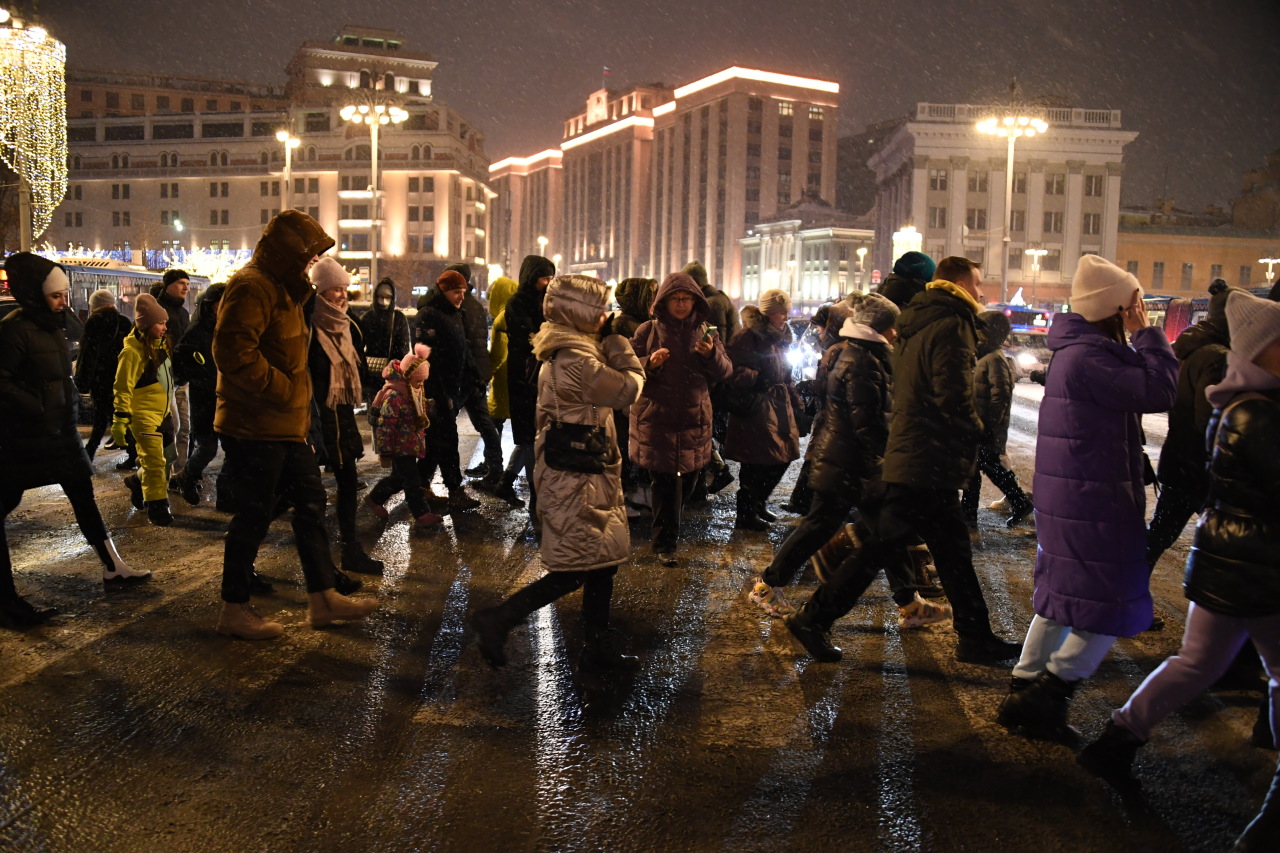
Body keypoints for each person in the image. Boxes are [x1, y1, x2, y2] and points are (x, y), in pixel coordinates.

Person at [1077, 290, 1280, 852]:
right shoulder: (1260, 414)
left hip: (1228, 559)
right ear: (1263, 351)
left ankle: (1117, 740)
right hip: (1259, 565)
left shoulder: (1242, 403)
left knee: (1195, 663)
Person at [995, 255, 1177, 741]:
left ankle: (1024, 690)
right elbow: (1161, 388)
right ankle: (1049, 696)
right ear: (1117, 308)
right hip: (1093, 499)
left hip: (1075, 494)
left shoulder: (1078, 351)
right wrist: (1149, 335)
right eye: (1133, 303)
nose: (1140, 310)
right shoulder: (1093, 356)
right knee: (1108, 603)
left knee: (1062, 597)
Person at [839, 257, 1023, 664]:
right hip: (928, 455)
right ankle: (815, 616)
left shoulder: (917, 320)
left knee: (946, 549)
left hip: (919, 450)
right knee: (884, 545)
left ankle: (974, 635)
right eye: (977, 283)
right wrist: (976, 430)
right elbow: (952, 394)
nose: (980, 292)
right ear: (958, 283)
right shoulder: (952, 322)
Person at [212, 210, 377, 640]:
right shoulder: (251, 286)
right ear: (285, 254)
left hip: (288, 424)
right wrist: (286, 391)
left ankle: (323, 598)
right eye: (305, 258)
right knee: (254, 514)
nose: (309, 265)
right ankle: (233, 608)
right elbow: (233, 353)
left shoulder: (285, 289)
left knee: (310, 507)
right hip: (255, 425)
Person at [468, 275, 644, 669]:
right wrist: (620, 346)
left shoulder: (570, 351)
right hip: (577, 476)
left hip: (584, 469)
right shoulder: (577, 359)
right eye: (600, 310)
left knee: (600, 562)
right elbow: (627, 390)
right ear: (579, 312)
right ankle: (500, 619)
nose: (605, 317)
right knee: (577, 567)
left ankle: (597, 644)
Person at [750, 293, 944, 630]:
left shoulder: (860, 353)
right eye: (894, 327)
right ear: (884, 327)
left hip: (849, 462)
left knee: (883, 531)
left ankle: (909, 603)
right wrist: (894, 457)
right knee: (824, 527)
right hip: (848, 463)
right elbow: (867, 421)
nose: (897, 333)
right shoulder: (863, 360)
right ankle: (767, 585)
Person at [1, 253, 148, 629]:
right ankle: (6, 601)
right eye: (56, 296)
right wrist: (36, 405)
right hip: (27, 438)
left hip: (61, 433)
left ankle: (114, 566)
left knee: (83, 496)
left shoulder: (53, 324)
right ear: (36, 295)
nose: (64, 302)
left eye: (65, 294)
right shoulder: (15, 328)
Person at [628, 272, 734, 566]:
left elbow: (726, 371)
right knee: (664, 484)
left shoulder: (706, 332)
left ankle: (669, 528)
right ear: (664, 300)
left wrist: (710, 355)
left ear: (695, 301)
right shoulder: (647, 330)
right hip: (657, 419)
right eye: (675, 298)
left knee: (688, 480)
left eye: (686, 298)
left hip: (694, 420)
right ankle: (664, 544)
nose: (681, 303)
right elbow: (625, 366)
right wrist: (649, 362)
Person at [1146, 279, 1236, 569]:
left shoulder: (1193, 349)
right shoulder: (1218, 357)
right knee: (1230, 546)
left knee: (1158, 536)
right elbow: (1209, 420)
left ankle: (1124, 599)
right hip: (1200, 471)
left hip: (1181, 462)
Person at [307, 257, 384, 578]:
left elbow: (361, 367)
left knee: (348, 482)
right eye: (333, 289)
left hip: (340, 416)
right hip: (312, 416)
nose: (340, 295)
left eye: (343, 289)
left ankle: (350, 550)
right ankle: (249, 541)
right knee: (300, 493)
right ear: (319, 291)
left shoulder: (349, 324)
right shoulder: (307, 324)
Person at [724, 289, 802, 531]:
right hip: (756, 406)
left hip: (779, 403)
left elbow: (787, 375)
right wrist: (757, 379)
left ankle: (758, 502)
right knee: (756, 460)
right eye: (782, 312)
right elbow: (731, 369)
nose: (787, 317)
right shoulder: (748, 337)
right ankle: (746, 512)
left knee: (783, 456)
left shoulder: (782, 337)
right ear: (769, 313)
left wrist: (797, 404)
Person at [413, 270, 483, 512]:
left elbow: (462, 349)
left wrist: (475, 374)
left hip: (450, 390)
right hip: (437, 392)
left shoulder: (454, 313)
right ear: (443, 291)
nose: (461, 297)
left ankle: (420, 489)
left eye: (463, 292)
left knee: (435, 443)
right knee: (448, 441)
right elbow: (428, 360)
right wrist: (440, 395)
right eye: (456, 292)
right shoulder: (429, 315)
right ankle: (454, 491)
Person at [961, 310, 1035, 529]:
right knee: (977, 468)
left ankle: (1018, 501)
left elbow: (1000, 395)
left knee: (989, 467)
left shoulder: (995, 359)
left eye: (980, 330)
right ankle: (969, 513)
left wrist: (989, 424)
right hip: (979, 425)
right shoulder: (983, 356)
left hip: (987, 427)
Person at [498, 255, 556, 532]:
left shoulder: (546, 302)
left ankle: (511, 484)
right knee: (529, 437)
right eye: (544, 277)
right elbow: (528, 338)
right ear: (532, 277)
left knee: (538, 437)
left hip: (541, 377)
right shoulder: (517, 303)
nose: (547, 283)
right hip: (524, 376)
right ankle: (535, 500)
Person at [434, 263, 504, 487]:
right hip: (477, 373)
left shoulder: (459, 306)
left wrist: (472, 372)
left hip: (466, 374)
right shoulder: (475, 305)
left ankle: (434, 478)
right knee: (484, 423)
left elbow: (463, 345)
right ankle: (495, 468)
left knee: (443, 427)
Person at [113, 293, 177, 526]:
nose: (165, 326)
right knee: (154, 462)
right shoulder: (132, 352)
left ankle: (137, 482)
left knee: (169, 458)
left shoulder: (161, 345)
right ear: (147, 325)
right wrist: (120, 418)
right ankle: (158, 506)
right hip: (143, 416)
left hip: (163, 413)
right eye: (160, 323)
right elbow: (122, 386)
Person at [366, 345, 445, 528]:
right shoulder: (395, 395)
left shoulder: (412, 390)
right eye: (419, 382)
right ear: (408, 377)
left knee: (399, 479)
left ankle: (375, 498)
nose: (421, 385)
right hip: (399, 445)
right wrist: (386, 448)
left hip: (408, 442)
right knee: (412, 481)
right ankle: (421, 513)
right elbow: (386, 424)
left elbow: (418, 407)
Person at [681, 260, 738, 497]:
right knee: (708, 430)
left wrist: (709, 380)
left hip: (711, 381)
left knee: (703, 431)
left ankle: (707, 477)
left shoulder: (709, 305)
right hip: (721, 378)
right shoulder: (722, 299)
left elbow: (710, 343)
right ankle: (712, 473)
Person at [171, 283, 226, 505]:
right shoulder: (197, 330)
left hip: (222, 396)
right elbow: (181, 362)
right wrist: (202, 375)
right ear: (212, 306)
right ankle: (186, 476)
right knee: (207, 447)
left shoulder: (224, 328)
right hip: (205, 398)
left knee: (225, 446)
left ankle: (188, 478)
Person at [610, 277, 657, 504]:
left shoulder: (647, 321)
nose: (654, 300)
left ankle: (641, 490)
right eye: (650, 296)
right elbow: (623, 361)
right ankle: (628, 493)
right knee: (627, 444)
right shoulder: (624, 325)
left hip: (644, 392)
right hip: (628, 396)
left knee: (641, 443)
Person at [480, 275, 524, 508]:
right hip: (519, 379)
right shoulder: (519, 313)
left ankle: (494, 470)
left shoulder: (501, 319)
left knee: (493, 424)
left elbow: (497, 355)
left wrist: (484, 375)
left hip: (504, 380)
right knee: (522, 432)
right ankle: (497, 470)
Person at [75, 288, 134, 463]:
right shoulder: (124, 321)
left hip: (101, 377)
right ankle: (130, 451)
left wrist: (83, 379)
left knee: (104, 414)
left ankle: (91, 451)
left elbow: (86, 354)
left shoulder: (94, 322)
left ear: (95, 306)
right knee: (114, 413)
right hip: (120, 375)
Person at [151, 269, 192, 479]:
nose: (186, 287)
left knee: (184, 427)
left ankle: (180, 473)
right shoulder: (157, 311)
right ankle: (158, 471)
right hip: (165, 379)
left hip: (182, 378)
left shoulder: (184, 313)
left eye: (187, 283)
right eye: (181, 283)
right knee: (172, 427)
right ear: (168, 285)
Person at [356, 277, 411, 401]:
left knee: (390, 409)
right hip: (372, 374)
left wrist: (394, 365)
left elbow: (403, 346)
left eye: (388, 296)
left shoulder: (398, 318)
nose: (384, 300)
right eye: (380, 296)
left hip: (391, 374)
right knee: (376, 408)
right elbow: (358, 345)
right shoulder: (368, 317)